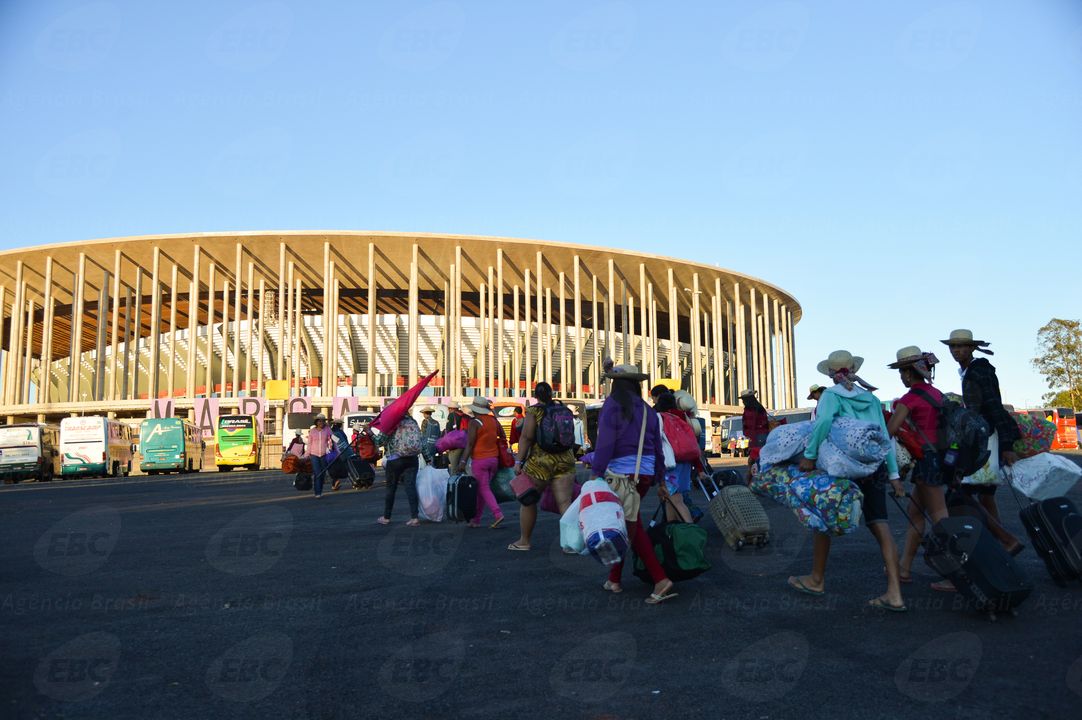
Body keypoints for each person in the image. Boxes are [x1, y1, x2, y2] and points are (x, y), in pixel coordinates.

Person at [791, 350, 908, 612]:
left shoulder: (831, 396)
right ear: (854, 369)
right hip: (873, 466)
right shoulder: (871, 398)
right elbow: (883, 437)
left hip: (842, 465)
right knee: (880, 524)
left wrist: (809, 455)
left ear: (830, 374)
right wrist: (894, 475)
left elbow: (823, 423)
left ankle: (816, 579)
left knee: (823, 519)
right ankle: (894, 593)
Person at [591, 364, 676, 604]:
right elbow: (658, 447)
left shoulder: (613, 405)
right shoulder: (648, 410)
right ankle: (614, 579)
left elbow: (605, 442)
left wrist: (596, 472)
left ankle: (660, 579)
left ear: (616, 384)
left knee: (632, 526)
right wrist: (660, 479)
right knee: (628, 522)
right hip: (644, 474)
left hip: (621, 475)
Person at [941, 328, 1024, 555]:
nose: (956, 350)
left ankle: (1003, 539)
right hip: (983, 436)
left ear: (971, 348)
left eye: (961, 346)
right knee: (985, 493)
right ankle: (1001, 543)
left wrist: (1006, 445)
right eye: (953, 346)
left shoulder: (980, 371)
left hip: (985, 440)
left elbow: (994, 406)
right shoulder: (971, 370)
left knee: (965, 492)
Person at [884, 347, 952, 588]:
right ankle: (904, 568)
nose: (901, 377)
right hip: (941, 457)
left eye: (902, 373)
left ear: (908, 373)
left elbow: (890, 430)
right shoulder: (937, 394)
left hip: (926, 459)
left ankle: (956, 574)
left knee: (940, 517)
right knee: (915, 513)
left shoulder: (910, 398)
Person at [508, 382, 578, 551]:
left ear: (536, 396)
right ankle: (571, 544)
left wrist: (518, 462)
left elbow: (526, 437)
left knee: (529, 500)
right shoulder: (563, 410)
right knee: (565, 503)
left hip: (540, 462)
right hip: (565, 460)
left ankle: (524, 541)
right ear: (551, 394)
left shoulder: (534, 411)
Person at [453, 397, 506, 529]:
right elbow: (503, 435)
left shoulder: (474, 422)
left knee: (483, 488)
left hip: (480, 460)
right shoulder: (493, 421)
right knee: (482, 490)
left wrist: (463, 461)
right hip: (494, 459)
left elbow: (470, 444)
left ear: (475, 409)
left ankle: (498, 513)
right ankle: (475, 520)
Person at [654, 392, 701, 524]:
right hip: (685, 462)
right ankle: (672, 529)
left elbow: (656, 441)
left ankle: (691, 530)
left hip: (670, 463)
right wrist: (699, 468)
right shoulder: (681, 417)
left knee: (676, 499)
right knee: (670, 500)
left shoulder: (659, 418)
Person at [377, 412, 423, 526]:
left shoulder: (391, 422)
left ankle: (386, 517)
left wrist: (369, 431)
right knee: (410, 487)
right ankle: (414, 517)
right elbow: (421, 440)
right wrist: (428, 458)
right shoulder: (412, 421)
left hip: (395, 459)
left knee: (391, 488)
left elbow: (379, 441)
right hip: (412, 458)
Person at [739, 389, 770, 467]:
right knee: (762, 456)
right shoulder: (759, 407)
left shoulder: (750, 409)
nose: (743, 401)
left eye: (743, 399)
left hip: (756, 436)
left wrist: (750, 438)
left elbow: (751, 425)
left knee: (755, 457)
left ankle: (756, 471)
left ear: (747, 399)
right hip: (763, 435)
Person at [307, 414, 333, 499]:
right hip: (314, 454)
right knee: (317, 473)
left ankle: (320, 490)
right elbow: (309, 443)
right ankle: (317, 492)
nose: (321, 422)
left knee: (322, 474)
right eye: (319, 421)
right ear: (316, 422)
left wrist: (338, 447)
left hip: (324, 454)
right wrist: (306, 455)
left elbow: (333, 438)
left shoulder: (327, 429)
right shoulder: (312, 431)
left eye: (322, 421)